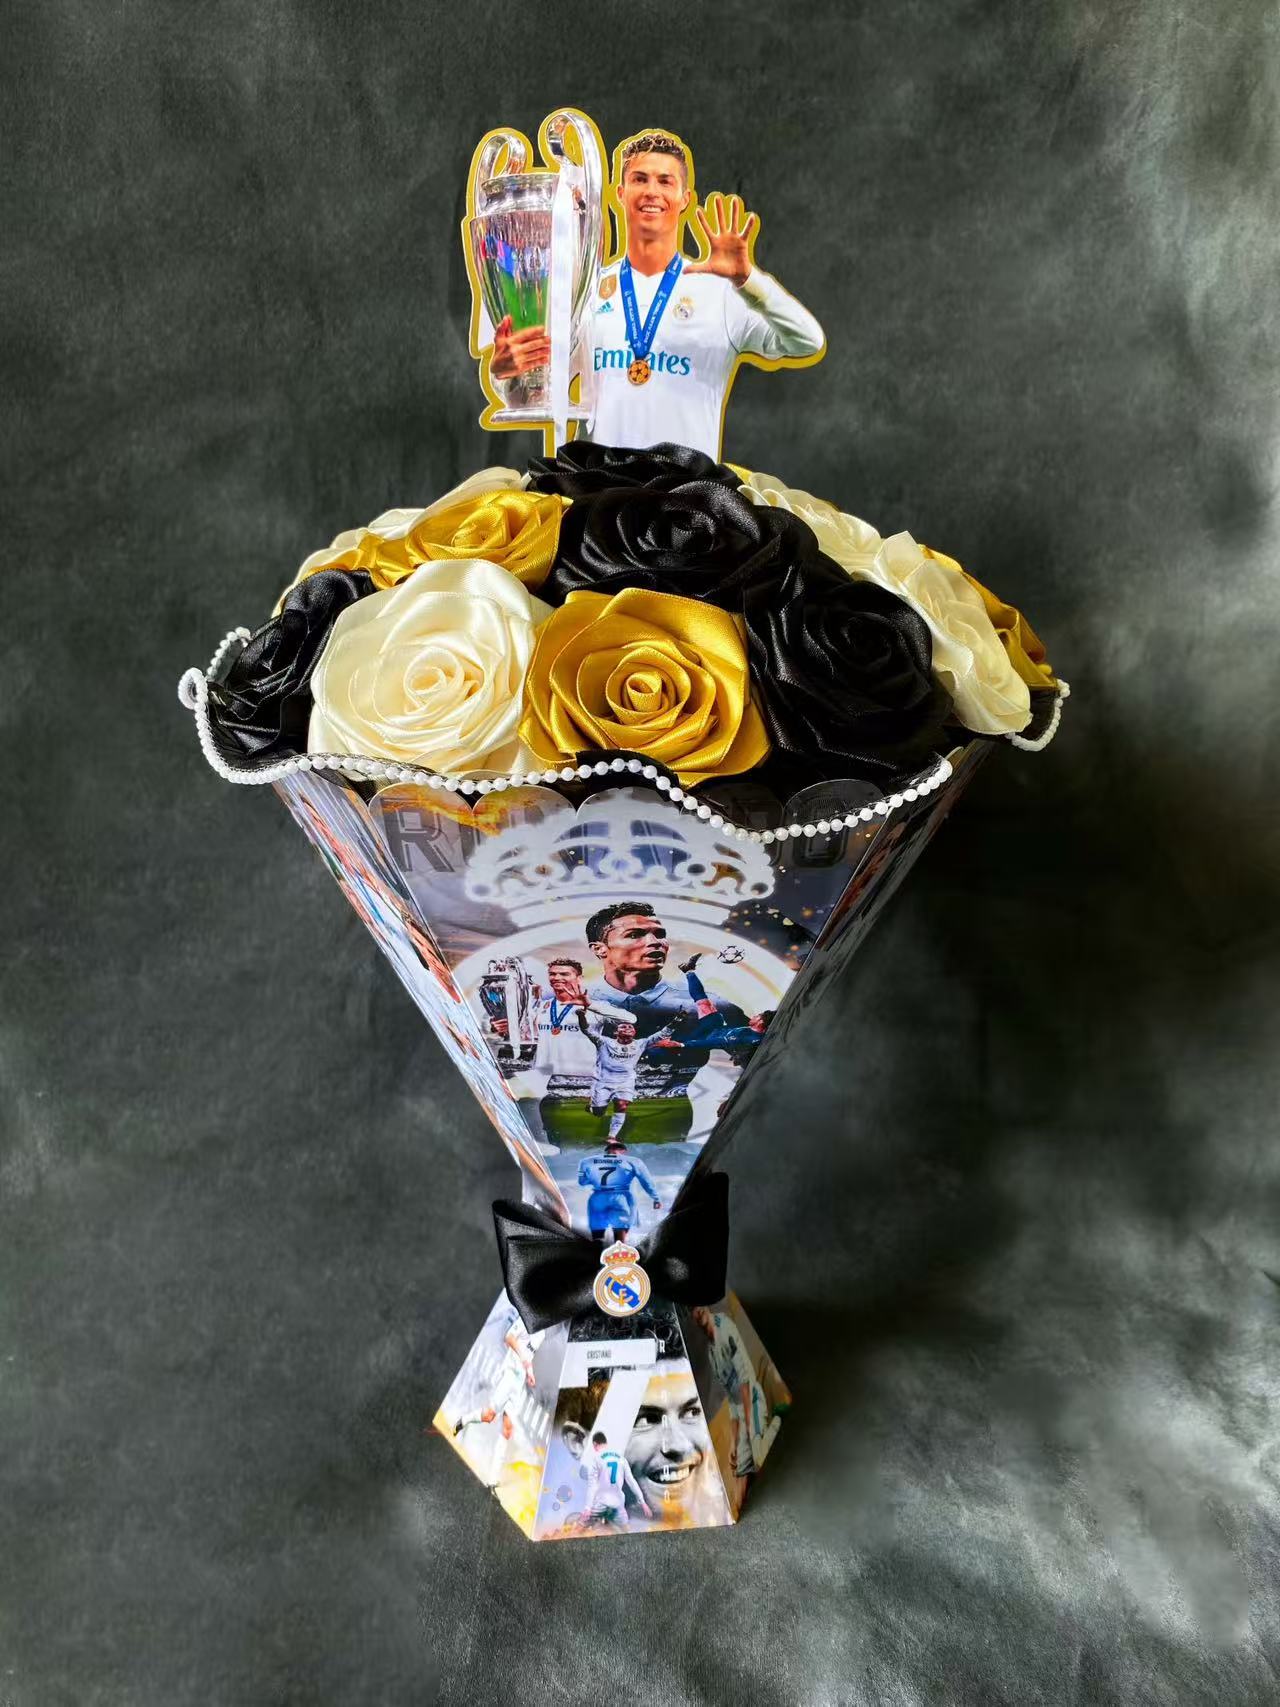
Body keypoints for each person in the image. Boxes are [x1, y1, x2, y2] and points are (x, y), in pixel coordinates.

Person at [490, 130, 824, 460]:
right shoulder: (586, 293)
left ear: (685, 198)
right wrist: (510, 373)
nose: (652, 191)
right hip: (601, 487)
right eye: (640, 179)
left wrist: (748, 279)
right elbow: (533, 395)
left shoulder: (721, 293)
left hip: (684, 489)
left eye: (665, 181)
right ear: (620, 193)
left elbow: (807, 341)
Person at [452, 1309, 546, 1486]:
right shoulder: (527, 1319)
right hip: (509, 1374)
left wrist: (530, 1372)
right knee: (489, 1416)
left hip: (519, 1381)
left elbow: (529, 1355)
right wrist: (523, 1359)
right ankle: (461, 1422)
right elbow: (508, 1337)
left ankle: (492, 1480)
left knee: (508, 1428)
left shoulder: (542, 1334)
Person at [648, 953, 773, 1058]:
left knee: (659, 1048)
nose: (754, 1016)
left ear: (761, 1022)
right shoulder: (750, 1030)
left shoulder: (747, 1038)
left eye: (757, 1016)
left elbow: (712, 1042)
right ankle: (689, 971)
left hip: (703, 1037)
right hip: (716, 1027)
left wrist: (682, 1045)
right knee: (703, 1001)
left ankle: (656, 1049)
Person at [577, 1137, 661, 1242]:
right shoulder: (634, 1161)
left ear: (607, 1150)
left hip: (598, 1198)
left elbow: (582, 1182)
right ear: (623, 1151)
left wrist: (596, 1179)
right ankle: (619, 1249)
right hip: (621, 1198)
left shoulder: (587, 1161)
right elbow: (646, 1182)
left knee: (598, 1234)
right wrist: (656, 1198)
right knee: (620, 1232)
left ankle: (597, 1250)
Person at [581, 1430, 652, 1528]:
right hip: (618, 1505)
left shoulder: (596, 1459)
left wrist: (588, 1507)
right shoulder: (621, 1459)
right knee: (625, 1529)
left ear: (595, 1444)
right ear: (606, 1443)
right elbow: (631, 1482)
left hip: (600, 1504)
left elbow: (592, 1486)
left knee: (581, 1525)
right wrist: (643, 1502)